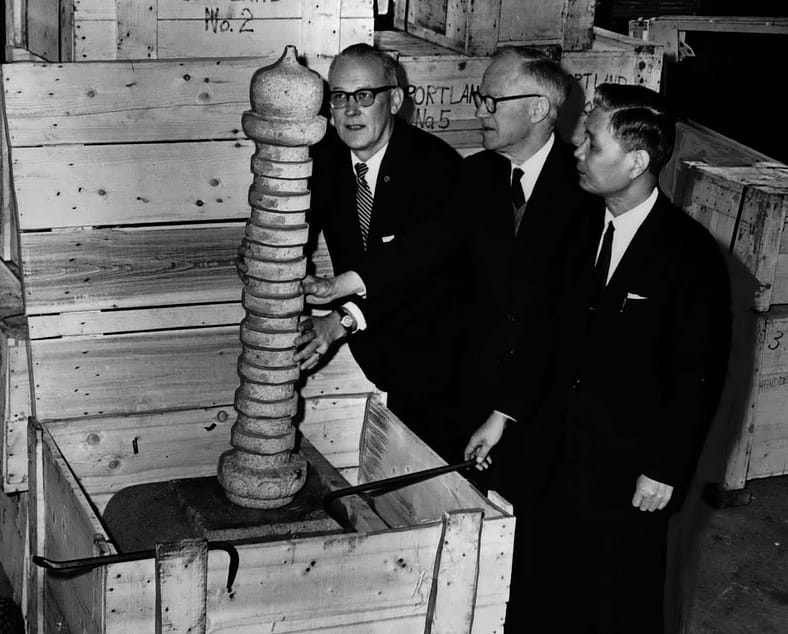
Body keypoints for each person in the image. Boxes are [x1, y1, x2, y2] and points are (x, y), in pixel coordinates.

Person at [465, 83, 732, 633]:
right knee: (539, 591)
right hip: (552, 454)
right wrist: (504, 413)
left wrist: (663, 470)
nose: (577, 152)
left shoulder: (691, 258)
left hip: (628, 475)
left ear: (636, 162)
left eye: (592, 143)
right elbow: (544, 332)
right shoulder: (578, 225)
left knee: (617, 605)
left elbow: (697, 378)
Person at [295, 43, 462, 459]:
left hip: (444, 358)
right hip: (383, 354)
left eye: (364, 96)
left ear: (396, 100)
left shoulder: (436, 167)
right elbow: (297, 224)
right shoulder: (324, 159)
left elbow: (421, 270)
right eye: (339, 97)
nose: (351, 110)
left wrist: (340, 317)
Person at [453, 46, 590, 486]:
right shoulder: (474, 176)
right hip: (471, 396)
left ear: (537, 109)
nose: (480, 111)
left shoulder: (587, 192)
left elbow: (565, 320)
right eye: (479, 97)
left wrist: (507, 411)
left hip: (544, 410)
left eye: (491, 101)